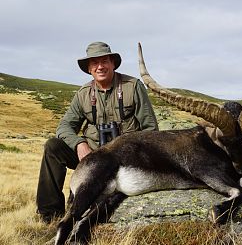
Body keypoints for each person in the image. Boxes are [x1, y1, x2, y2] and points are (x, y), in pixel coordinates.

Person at [36, 41, 158, 223]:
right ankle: (50, 214)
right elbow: (64, 127)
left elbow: (151, 129)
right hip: (92, 155)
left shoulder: (133, 86)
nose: (100, 66)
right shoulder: (83, 94)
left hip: (125, 157)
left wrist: (132, 151)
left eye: (104, 61)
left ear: (113, 64)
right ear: (89, 68)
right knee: (53, 147)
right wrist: (80, 144)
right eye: (94, 63)